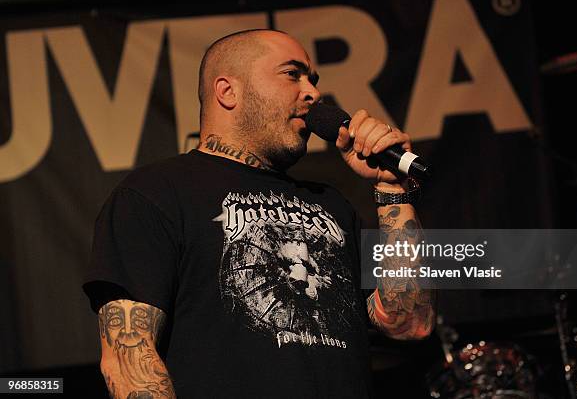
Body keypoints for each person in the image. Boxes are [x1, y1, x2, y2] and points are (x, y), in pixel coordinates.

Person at [83, 29, 435, 399]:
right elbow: (129, 360)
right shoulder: (156, 193)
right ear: (227, 91)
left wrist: (393, 190)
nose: (313, 93)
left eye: (312, 80)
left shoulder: (332, 204)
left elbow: (410, 322)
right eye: (292, 74)